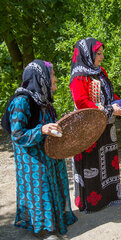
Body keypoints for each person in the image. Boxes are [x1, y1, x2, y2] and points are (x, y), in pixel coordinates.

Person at [1, 60, 77, 239]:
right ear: (40, 77)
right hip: (32, 158)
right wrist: (41, 130)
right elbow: (17, 134)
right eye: (51, 75)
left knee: (55, 184)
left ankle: (55, 221)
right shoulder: (22, 101)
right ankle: (44, 229)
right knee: (40, 189)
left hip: (48, 152)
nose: (55, 79)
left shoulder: (44, 100)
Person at [69, 38, 121, 213]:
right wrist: (110, 109)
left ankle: (109, 195)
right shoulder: (79, 77)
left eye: (101, 53)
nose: (102, 56)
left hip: (106, 125)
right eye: (98, 53)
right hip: (89, 127)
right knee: (92, 163)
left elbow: (109, 92)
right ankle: (93, 202)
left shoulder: (100, 72)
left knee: (108, 159)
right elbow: (82, 103)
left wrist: (120, 103)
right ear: (88, 55)